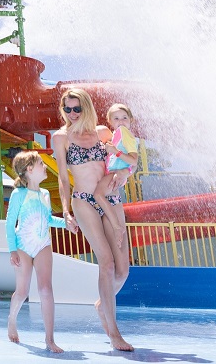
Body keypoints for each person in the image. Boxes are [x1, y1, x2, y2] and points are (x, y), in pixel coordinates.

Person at [50, 88, 134, 351]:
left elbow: (123, 163)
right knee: (106, 264)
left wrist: (124, 177)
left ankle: (102, 303)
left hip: (110, 198)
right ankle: (114, 333)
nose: (72, 114)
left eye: (77, 109)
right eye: (67, 109)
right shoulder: (61, 137)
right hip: (84, 200)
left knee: (123, 270)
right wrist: (65, 211)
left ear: (86, 108)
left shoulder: (103, 133)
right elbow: (64, 179)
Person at [5, 150, 76, 353]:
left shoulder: (44, 194)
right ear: (30, 169)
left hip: (43, 243)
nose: (45, 167)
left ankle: (49, 339)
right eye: (41, 164)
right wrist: (12, 251)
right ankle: (12, 320)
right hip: (23, 247)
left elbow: (48, 219)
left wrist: (66, 224)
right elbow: (10, 224)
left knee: (46, 290)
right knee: (22, 291)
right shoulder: (18, 195)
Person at [92, 103, 139, 245]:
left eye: (124, 118)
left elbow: (134, 161)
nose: (121, 121)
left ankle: (117, 228)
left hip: (113, 175)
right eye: (117, 118)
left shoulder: (125, 135)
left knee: (98, 195)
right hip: (113, 174)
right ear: (110, 122)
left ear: (131, 120)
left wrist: (115, 152)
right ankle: (116, 231)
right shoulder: (116, 136)